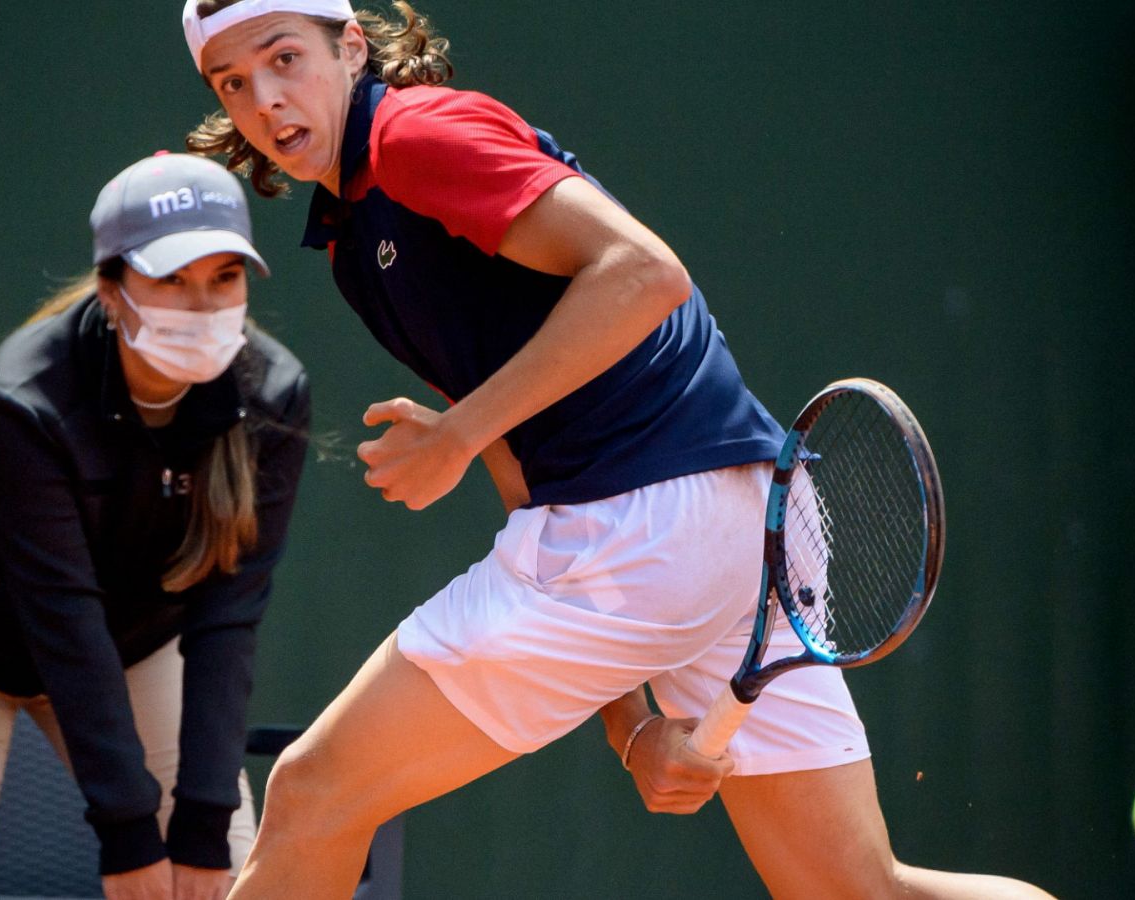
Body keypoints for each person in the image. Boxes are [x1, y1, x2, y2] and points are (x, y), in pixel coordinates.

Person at [180, 2, 1053, 897]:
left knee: (315, 795)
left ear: (352, 47)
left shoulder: (411, 136)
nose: (267, 100)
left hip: (649, 526)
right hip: (753, 525)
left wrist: (458, 434)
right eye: (234, 83)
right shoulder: (355, 235)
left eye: (287, 58)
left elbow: (643, 273)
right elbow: (528, 483)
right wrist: (631, 728)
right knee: (861, 889)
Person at [0, 152, 310, 900]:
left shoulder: (272, 392)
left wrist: (200, 825)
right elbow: (61, 611)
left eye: (225, 277)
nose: (202, 304)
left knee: (220, 883)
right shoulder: (25, 397)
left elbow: (228, 615)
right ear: (112, 288)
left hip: (129, 642)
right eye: (172, 278)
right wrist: (128, 836)